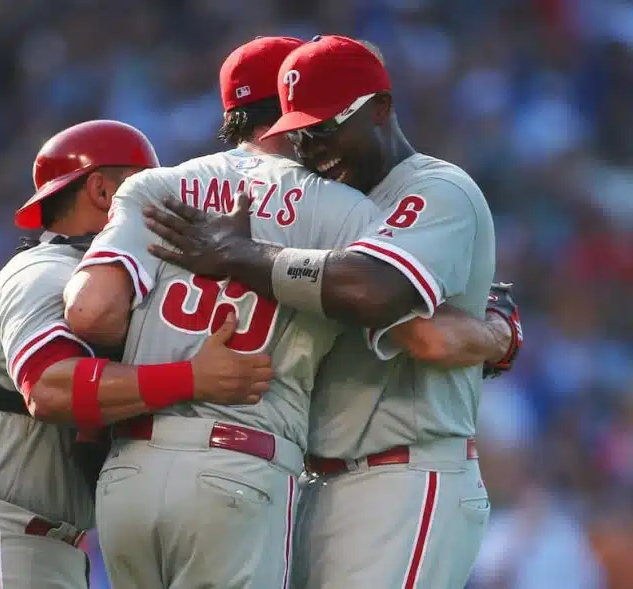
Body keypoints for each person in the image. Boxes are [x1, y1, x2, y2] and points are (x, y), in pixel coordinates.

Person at [63, 38, 516, 589]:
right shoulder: (329, 205)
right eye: (303, 127)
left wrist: (497, 335)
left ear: (381, 109)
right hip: (303, 479)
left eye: (328, 125)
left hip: (403, 471)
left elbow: (402, 315)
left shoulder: (435, 188)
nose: (315, 142)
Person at [0, 120, 272, 589]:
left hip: (37, 546)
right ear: (101, 190)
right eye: (145, 188)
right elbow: (51, 388)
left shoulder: (102, 284)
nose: (161, 205)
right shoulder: (42, 273)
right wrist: (191, 378)